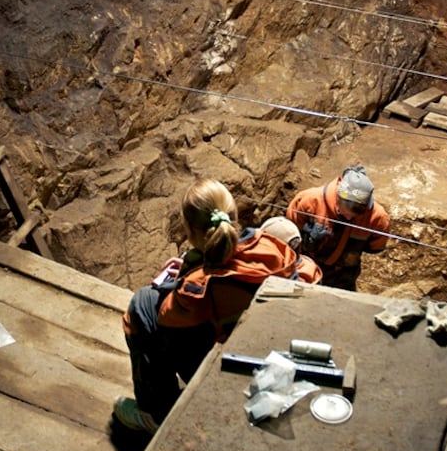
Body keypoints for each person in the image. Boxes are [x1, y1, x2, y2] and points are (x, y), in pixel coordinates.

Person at [112, 179, 322, 434]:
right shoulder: (272, 247)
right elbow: (235, 266)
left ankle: (156, 412)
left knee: (143, 304)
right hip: (275, 359)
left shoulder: (198, 287)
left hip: (233, 368)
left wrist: (183, 279)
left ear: (189, 230)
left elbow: (169, 318)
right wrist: (192, 264)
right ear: (234, 217)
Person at [285, 164, 390, 291]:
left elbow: (376, 246)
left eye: (355, 215)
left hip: (343, 276)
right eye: (345, 212)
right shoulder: (310, 201)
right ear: (337, 198)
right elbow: (291, 231)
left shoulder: (377, 218)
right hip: (307, 268)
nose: (349, 217)